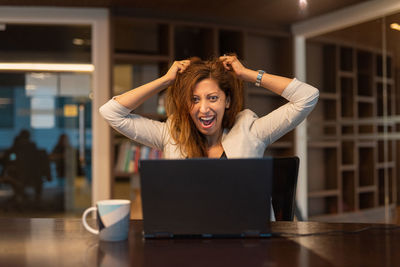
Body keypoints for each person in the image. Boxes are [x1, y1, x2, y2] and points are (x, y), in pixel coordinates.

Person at [100, 55, 319, 159]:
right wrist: (166, 81)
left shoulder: (252, 131)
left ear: (228, 101)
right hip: (187, 236)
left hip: (242, 239)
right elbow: (111, 112)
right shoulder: (170, 134)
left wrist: (247, 75)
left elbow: (307, 97)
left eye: (212, 98)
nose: (203, 108)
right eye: (195, 99)